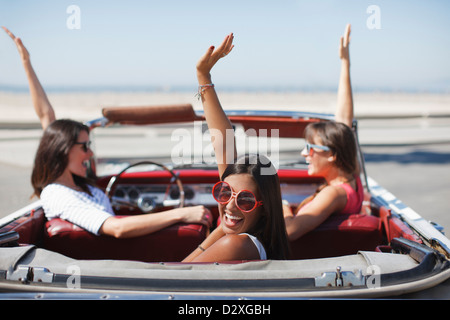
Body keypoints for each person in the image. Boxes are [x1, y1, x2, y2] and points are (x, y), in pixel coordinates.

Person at [3, 26, 212, 238]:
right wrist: (180, 214)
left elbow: (46, 115)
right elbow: (117, 228)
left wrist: (26, 64)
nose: (90, 154)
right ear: (62, 150)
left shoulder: (77, 186)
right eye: (84, 146)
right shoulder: (57, 194)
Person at [183, 33, 290, 262]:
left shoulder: (238, 243)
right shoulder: (249, 235)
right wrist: (203, 76)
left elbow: (172, 279)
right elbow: (223, 143)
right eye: (224, 193)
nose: (230, 205)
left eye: (246, 200)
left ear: (264, 208)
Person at [283, 24, 364, 241]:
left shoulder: (333, 193)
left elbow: (289, 232)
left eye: (310, 147)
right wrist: (345, 62)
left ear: (332, 154)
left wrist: (281, 207)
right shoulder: (352, 178)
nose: (303, 153)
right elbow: (344, 123)